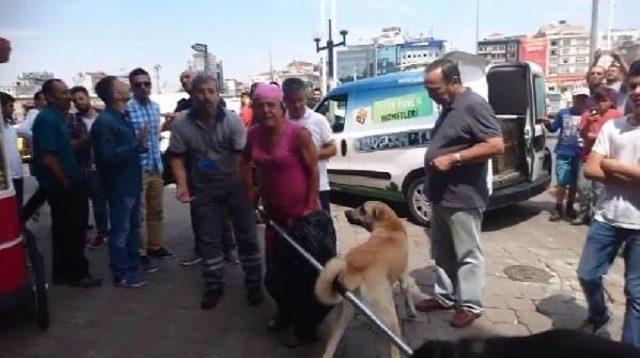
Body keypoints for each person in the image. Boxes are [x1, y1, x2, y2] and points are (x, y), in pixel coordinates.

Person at [416, 59, 504, 328]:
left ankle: (469, 305)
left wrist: (454, 158)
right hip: (441, 195)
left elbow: (496, 145)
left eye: (435, 90)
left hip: (462, 196)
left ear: (454, 82)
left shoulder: (473, 105)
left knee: (467, 253)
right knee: (442, 251)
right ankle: (445, 296)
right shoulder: (448, 106)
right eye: (428, 90)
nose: (431, 96)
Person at [168, 73, 263, 310]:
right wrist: (181, 185)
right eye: (201, 92)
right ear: (192, 95)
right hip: (204, 191)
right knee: (209, 240)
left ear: (218, 94)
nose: (206, 96)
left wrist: (250, 191)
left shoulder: (232, 121)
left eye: (211, 91)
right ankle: (214, 285)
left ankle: (254, 283)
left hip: (235, 187)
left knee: (247, 237)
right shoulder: (181, 124)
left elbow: (244, 160)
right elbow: (177, 157)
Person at [240, 83, 322, 346]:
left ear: (281, 107)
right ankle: (285, 313)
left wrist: (309, 208)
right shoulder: (253, 134)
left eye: (271, 105)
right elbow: (243, 161)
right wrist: (250, 189)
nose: (266, 110)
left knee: (304, 276)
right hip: (275, 218)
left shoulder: (298, 133)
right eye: (260, 105)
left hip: (302, 218)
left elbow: (313, 171)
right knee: (275, 276)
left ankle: (307, 327)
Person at [576, 59, 640, 348]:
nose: (637, 91)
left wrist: (613, 166)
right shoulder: (613, 126)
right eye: (634, 86)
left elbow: (602, 167)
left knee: (636, 295)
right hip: (607, 218)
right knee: (587, 275)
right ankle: (599, 314)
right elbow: (591, 169)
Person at [32, 79, 101, 288]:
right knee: (74, 231)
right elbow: (48, 157)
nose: (68, 97)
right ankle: (78, 274)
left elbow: (66, 146)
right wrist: (65, 181)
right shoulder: (46, 119)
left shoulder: (58, 118)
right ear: (50, 97)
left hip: (67, 180)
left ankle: (63, 274)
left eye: (68, 92)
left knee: (64, 231)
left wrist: (89, 139)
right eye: (62, 94)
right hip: (63, 183)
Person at [92, 76, 148, 288]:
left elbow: (124, 149)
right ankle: (121, 273)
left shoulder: (121, 117)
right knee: (120, 231)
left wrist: (137, 147)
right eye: (122, 84)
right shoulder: (105, 122)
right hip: (118, 187)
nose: (127, 86)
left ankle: (133, 266)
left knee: (133, 228)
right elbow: (107, 156)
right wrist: (136, 143)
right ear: (115, 94)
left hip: (130, 183)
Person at [126, 67, 174, 273]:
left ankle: (155, 246)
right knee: (139, 214)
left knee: (157, 210)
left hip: (155, 166)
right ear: (132, 87)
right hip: (138, 168)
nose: (143, 88)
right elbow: (125, 139)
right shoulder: (127, 109)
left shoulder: (155, 107)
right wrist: (136, 142)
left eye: (147, 84)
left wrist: (166, 126)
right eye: (138, 84)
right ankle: (140, 252)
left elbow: (153, 134)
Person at [282, 78, 336, 213]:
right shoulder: (282, 122)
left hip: (319, 186)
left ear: (305, 98)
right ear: (285, 100)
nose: (297, 105)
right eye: (292, 101)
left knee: (321, 230)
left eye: (300, 100)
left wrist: (311, 154)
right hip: (291, 188)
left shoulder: (318, 120)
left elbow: (333, 148)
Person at [572, 87, 622, 225]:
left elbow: (617, 137)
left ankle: (595, 215)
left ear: (610, 102)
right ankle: (583, 213)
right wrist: (588, 122)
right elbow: (584, 135)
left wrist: (595, 136)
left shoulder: (616, 115)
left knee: (598, 190)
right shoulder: (587, 115)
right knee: (583, 187)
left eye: (604, 101)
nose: (601, 104)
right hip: (587, 156)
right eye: (598, 100)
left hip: (605, 159)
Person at [69, 86, 109, 248]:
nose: (78, 103)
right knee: (98, 203)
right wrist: (90, 137)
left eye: (80, 99)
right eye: (74, 101)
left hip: (110, 166)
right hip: (90, 168)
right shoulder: (72, 120)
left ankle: (117, 231)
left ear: (88, 98)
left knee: (115, 201)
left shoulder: (104, 116)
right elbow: (73, 146)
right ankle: (102, 232)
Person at [543, 88, 590, 221]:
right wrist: (547, 124)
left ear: (587, 100)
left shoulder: (588, 115)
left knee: (575, 183)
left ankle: (569, 207)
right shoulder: (563, 113)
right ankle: (558, 208)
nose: (581, 101)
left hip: (581, 154)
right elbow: (553, 129)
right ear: (573, 99)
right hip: (564, 152)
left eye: (583, 98)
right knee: (562, 182)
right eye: (578, 98)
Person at [1, 92, 23, 215]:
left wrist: (25, 159)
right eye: (10, 106)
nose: (13, 109)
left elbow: (19, 145)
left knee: (18, 205)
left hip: (17, 174)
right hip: (6, 180)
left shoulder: (10, 127)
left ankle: (21, 228)